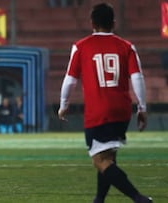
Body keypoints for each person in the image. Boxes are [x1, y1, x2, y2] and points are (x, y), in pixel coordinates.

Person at [58, 3, 152, 203]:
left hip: (98, 111)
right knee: (108, 156)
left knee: (100, 161)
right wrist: (142, 108)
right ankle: (99, 199)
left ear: (92, 23)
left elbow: (70, 79)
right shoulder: (127, 46)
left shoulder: (82, 46)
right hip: (122, 111)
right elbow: (137, 78)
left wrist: (63, 103)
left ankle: (138, 198)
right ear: (114, 23)